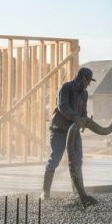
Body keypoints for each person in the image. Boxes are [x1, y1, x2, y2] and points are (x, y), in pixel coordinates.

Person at [42, 66, 98, 205]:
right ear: (82, 79)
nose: (88, 84)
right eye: (88, 81)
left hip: (73, 131)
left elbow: (83, 111)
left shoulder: (84, 94)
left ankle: (79, 193)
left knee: (77, 160)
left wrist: (85, 120)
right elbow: (62, 106)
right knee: (55, 158)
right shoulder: (65, 88)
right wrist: (76, 118)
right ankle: (45, 192)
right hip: (59, 130)